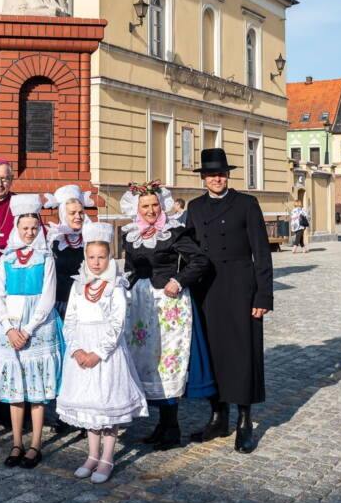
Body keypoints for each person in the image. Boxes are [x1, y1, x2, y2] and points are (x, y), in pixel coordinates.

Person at [181, 148, 273, 454]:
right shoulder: (194, 208)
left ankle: (244, 419)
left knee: (242, 353)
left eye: (220, 173)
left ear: (228, 175)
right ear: (203, 178)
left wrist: (263, 295)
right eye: (210, 174)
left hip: (240, 287)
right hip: (206, 290)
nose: (216, 178)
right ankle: (218, 417)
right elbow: (185, 249)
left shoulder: (246, 204)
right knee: (212, 353)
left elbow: (261, 252)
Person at [121, 180, 213, 451]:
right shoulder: (131, 235)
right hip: (141, 305)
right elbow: (128, 269)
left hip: (168, 303)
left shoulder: (174, 232)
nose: (150, 210)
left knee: (167, 360)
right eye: (145, 206)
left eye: (154, 205)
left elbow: (200, 261)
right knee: (148, 360)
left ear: (162, 206)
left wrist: (179, 280)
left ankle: (172, 427)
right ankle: (161, 425)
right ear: (137, 209)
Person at [58, 221, 148, 484]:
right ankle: (92, 454)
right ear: (85, 258)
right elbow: (70, 319)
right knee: (90, 408)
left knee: (106, 404)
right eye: (91, 257)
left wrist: (97, 352)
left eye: (101, 257)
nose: (96, 263)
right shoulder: (78, 285)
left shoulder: (115, 286)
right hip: (81, 349)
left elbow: (118, 323)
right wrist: (75, 349)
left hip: (105, 353)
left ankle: (107, 456)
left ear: (110, 258)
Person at [0, 194, 62, 469]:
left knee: (36, 389)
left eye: (34, 228)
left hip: (37, 327)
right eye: (25, 228)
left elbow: (48, 297)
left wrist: (30, 328)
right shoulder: (7, 259)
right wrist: (9, 329)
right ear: (17, 229)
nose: (30, 233)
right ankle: (17, 442)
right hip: (11, 327)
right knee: (15, 389)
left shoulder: (46, 258)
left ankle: (35, 445)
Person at [43, 184, 95, 436]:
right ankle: (65, 413)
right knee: (63, 361)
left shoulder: (91, 238)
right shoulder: (53, 239)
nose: (77, 216)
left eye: (80, 212)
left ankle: (85, 415)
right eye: (72, 212)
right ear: (63, 213)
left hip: (86, 308)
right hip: (61, 306)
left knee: (82, 360)